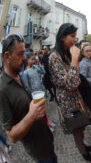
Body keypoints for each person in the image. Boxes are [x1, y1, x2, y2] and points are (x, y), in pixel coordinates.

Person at [0, 34, 56, 162]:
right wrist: (32, 115)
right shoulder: (2, 90)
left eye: (24, 53)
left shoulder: (20, 75)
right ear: (7, 56)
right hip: (39, 152)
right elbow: (11, 137)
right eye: (20, 54)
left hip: (48, 140)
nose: (25, 58)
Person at [49, 23, 91, 162]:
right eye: (72, 36)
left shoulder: (64, 54)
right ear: (62, 37)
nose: (75, 40)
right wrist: (74, 60)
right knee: (77, 131)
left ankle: (84, 145)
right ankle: (85, 155)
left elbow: (75, 79)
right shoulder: (54, 57)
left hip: (75, 99)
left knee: (81, 127)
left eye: (75, 36)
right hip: (68, 103)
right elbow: (71, 83)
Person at [23, 52, 56, 132]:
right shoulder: (26, 72)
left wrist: (38, 64)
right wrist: (31, 95)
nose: (33, 61)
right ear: (27, 60)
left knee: (44, 109)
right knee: (40, 111)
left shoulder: (35, 67)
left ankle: (47, 122)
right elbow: (27, 86)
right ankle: (46, 126)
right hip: (35, 95)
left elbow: (44, 72)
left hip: (41, 91)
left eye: (34, 59)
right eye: (32, 59)